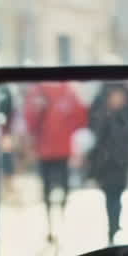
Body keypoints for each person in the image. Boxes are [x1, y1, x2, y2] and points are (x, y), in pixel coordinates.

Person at [24, 81, 88, 241]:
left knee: (57, 189)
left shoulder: (65, 91)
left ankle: (57, 224)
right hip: (50, 150)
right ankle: (53, 225)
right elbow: (30, 120)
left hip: (56, 149)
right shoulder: (46, 91)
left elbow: (80, 118)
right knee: (53, 189)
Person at [88, 82, 128, 244]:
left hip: (121, 163)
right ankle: (113, 227)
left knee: (118, 196)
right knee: (110, 197)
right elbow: (96, 138)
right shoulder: (101, 114)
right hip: (106, 164)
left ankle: (115, 226)